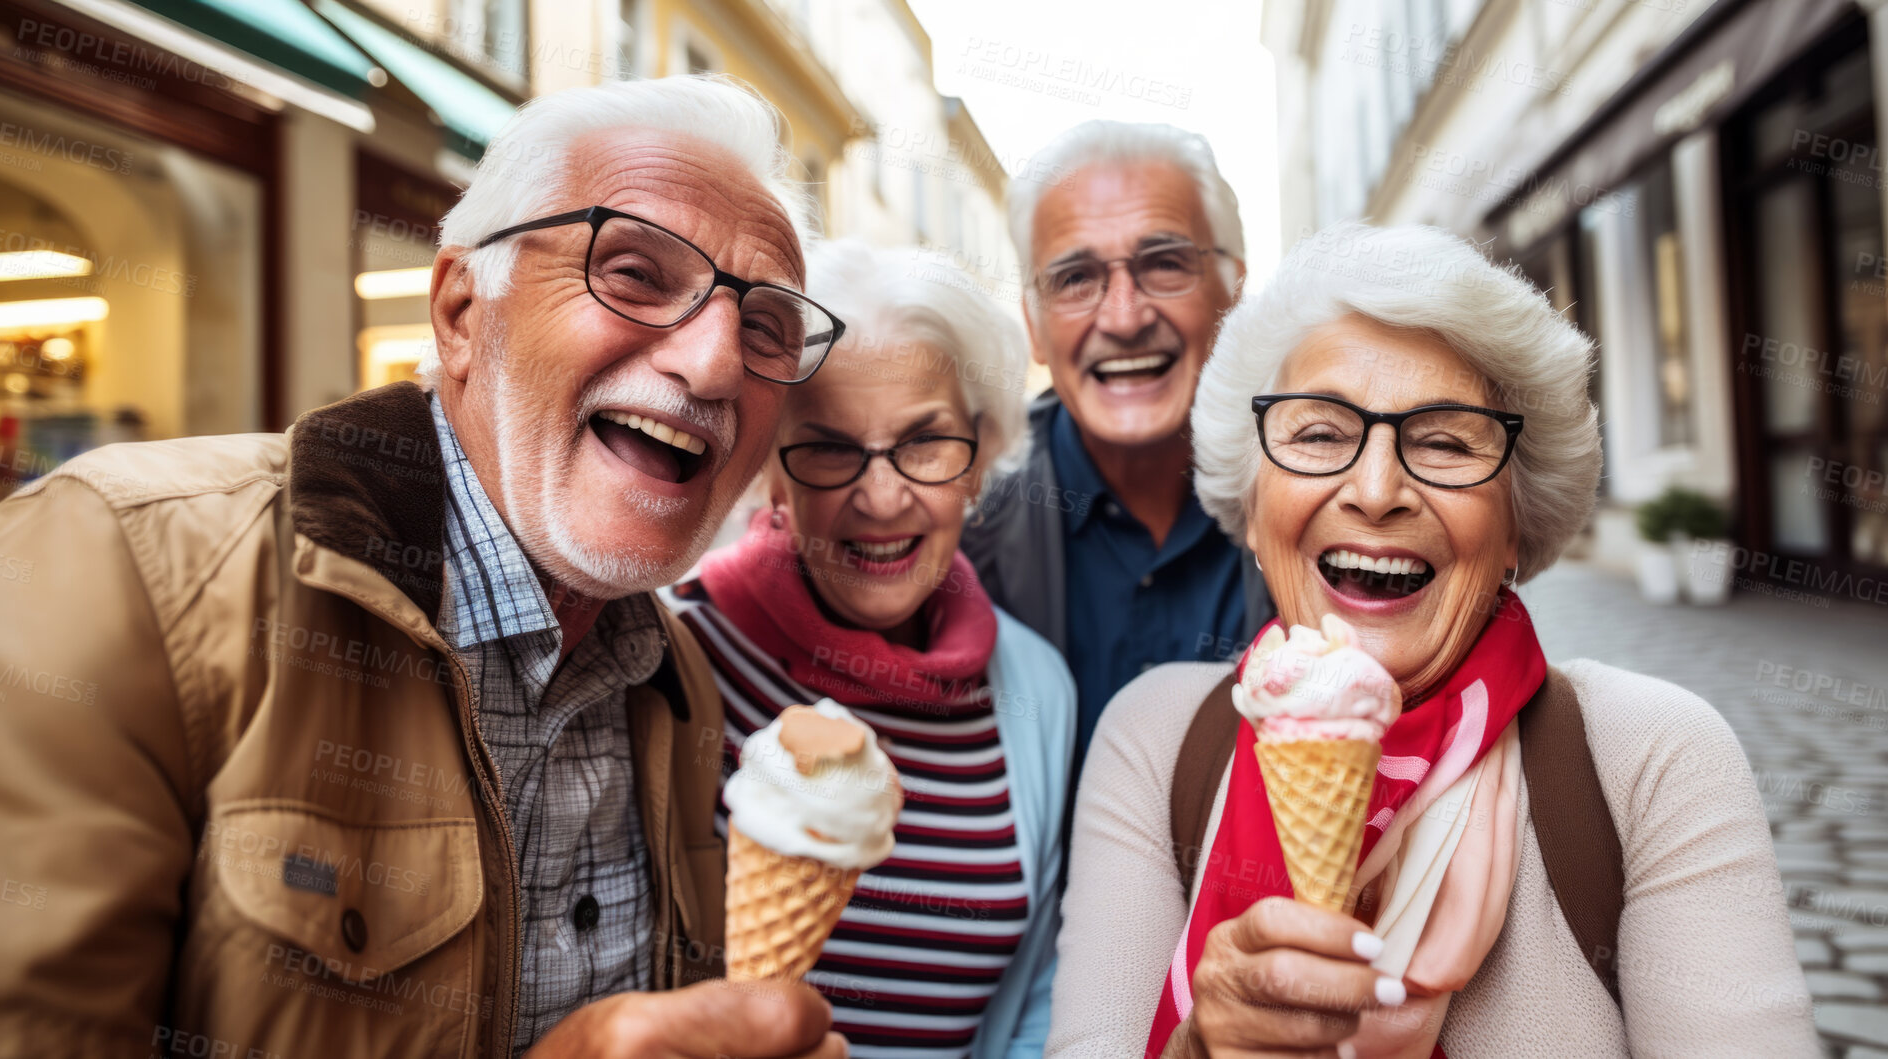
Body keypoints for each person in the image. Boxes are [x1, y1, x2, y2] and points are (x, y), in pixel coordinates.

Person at [0, 76, 849, 1058]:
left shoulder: (675, 681)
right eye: (633, 273)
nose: (711, 367)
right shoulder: (125, 565)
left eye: (765, 330)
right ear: (459, 313)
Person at [1049, 222, 1819, 1056]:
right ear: (1253, 492)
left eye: (1445, 441)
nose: (1376, 490)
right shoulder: (1155, 740)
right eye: (1317, 434)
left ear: (1518, 521)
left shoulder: (1650, 756)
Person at [664, 241, 1074, 1058]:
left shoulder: (1035, 688)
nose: (881, 497)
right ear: (771, 470)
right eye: (828, 447)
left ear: (979, 457)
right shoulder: (672, 653)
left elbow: (1032, 1013)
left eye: (924, 443)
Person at [961, 120, 1274, 769]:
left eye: (1164, 265)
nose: (1124, 317)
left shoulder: (1316, 497)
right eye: (1074, 278)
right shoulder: (958, 524)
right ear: (1035, 327)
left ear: (1232, 293)